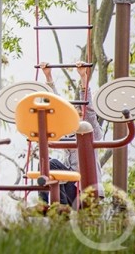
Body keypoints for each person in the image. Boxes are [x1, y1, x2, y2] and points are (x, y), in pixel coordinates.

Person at [38, 61, 103, 207]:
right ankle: (45, 203)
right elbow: (57, 107)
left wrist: (83, 78)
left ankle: (60, 204)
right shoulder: (66, 132)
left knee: (53, 164)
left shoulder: (92, 132)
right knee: (46, 162)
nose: (76, 119)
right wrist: (49, 78)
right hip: (71, 184)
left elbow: (89, 110)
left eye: (79, 115)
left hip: (86, 185)